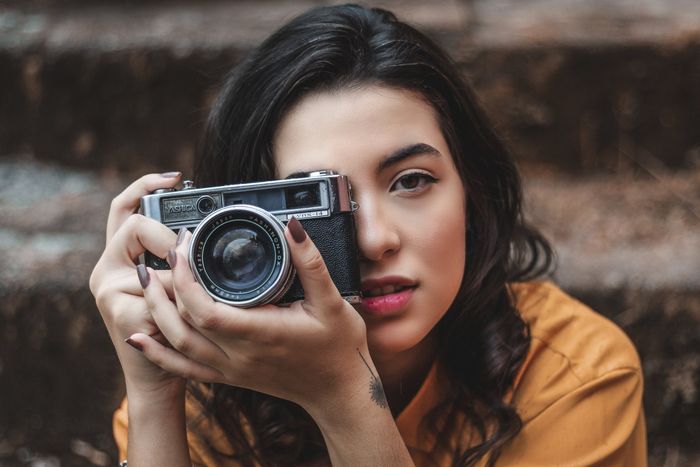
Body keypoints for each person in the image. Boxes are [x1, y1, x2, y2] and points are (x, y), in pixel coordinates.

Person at [89, 4, 646, 466]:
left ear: (472, 192)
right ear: (244, 224)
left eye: (411, 181)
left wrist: (344, 398)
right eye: (313, 199)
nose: (375, 240)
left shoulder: (576, 379)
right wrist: (156, 396)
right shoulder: (206, 384)